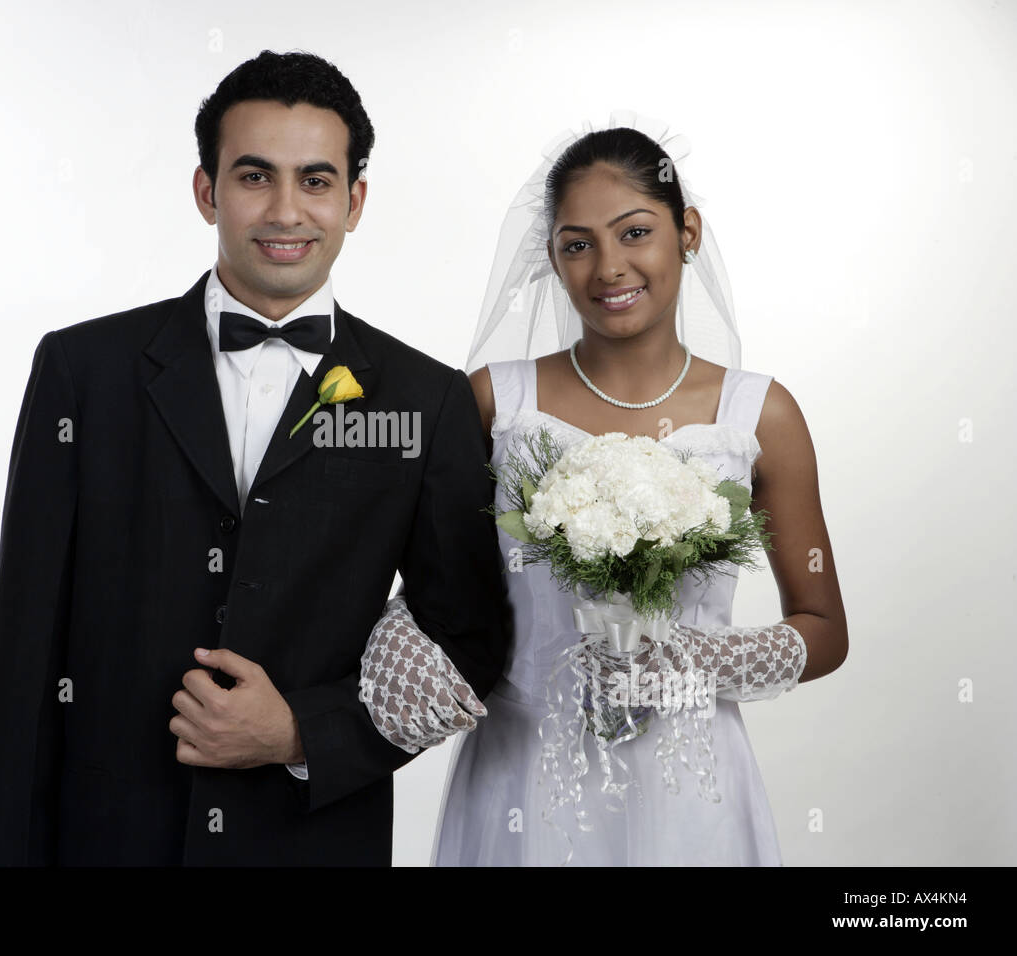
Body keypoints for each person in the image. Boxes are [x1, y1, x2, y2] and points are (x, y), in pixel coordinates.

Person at [0, 49, 510, 866]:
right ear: (206, 190)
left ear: (355, 200)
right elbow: (24, 649)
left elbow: (468, 637)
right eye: (255, 176)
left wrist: (300, 730)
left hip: (313, 836)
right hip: (108, 836)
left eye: (317, 180)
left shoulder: (425, 401)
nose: (286, 210)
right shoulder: (83, 372)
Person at [357, 113, 848, 865]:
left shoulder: (760, 414)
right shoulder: (494, 401)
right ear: (551, 260)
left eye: (635, 232)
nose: (609, 267)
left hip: (692, 780)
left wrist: (696, 662)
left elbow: (824, 627)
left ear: (687, 232)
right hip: (522, 769)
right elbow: (430, 582)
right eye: (577, 245)